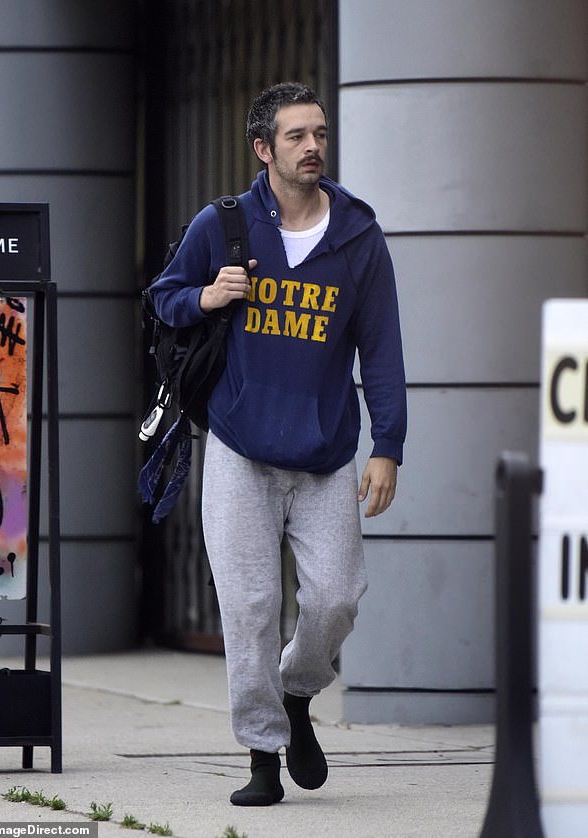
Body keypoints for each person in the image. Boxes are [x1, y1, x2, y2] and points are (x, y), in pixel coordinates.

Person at [149, 82, 407, 806]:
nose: (312, 146)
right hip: (238, 447)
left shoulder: (358, 235)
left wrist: (389, 445)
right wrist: (207, 296)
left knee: (336, 600)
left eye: (319, 133)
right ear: (263, 150)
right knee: (251, 606)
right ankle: (263, 753)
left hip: (326, 454)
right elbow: (162, 296)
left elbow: (381, 350)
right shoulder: (225, 226)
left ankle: (297, 693)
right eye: (295, 136)